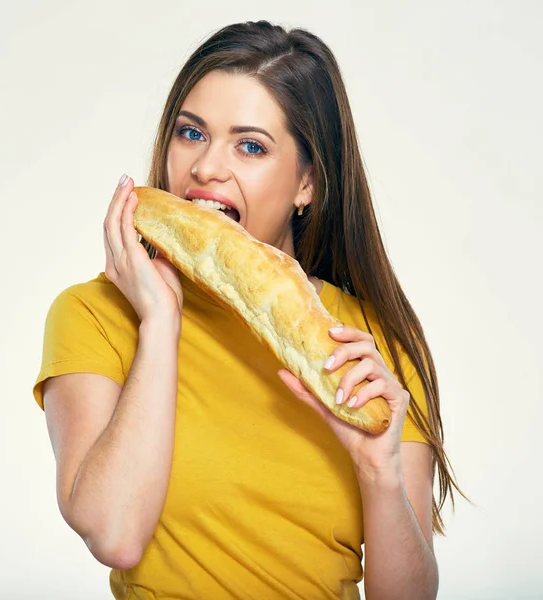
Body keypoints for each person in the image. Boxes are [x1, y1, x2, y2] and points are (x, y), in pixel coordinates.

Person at [33, 20, 465, 600]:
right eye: (191, 134)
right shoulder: (94, 315)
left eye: (251, 145)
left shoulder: (369, 347)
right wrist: (161, 320)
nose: (207, 168)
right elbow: (115, 535)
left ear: (307, 182)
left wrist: (378, 472)